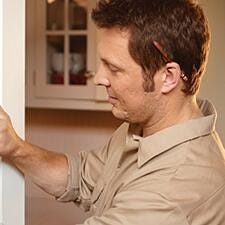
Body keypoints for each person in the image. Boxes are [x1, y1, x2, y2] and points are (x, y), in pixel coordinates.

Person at [0, 0, 225, 224]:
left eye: (114, 69)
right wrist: (13, 146)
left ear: (168, 77)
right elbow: (80, 175)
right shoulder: (146, 126)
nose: (98, 78)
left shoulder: (173, 189)